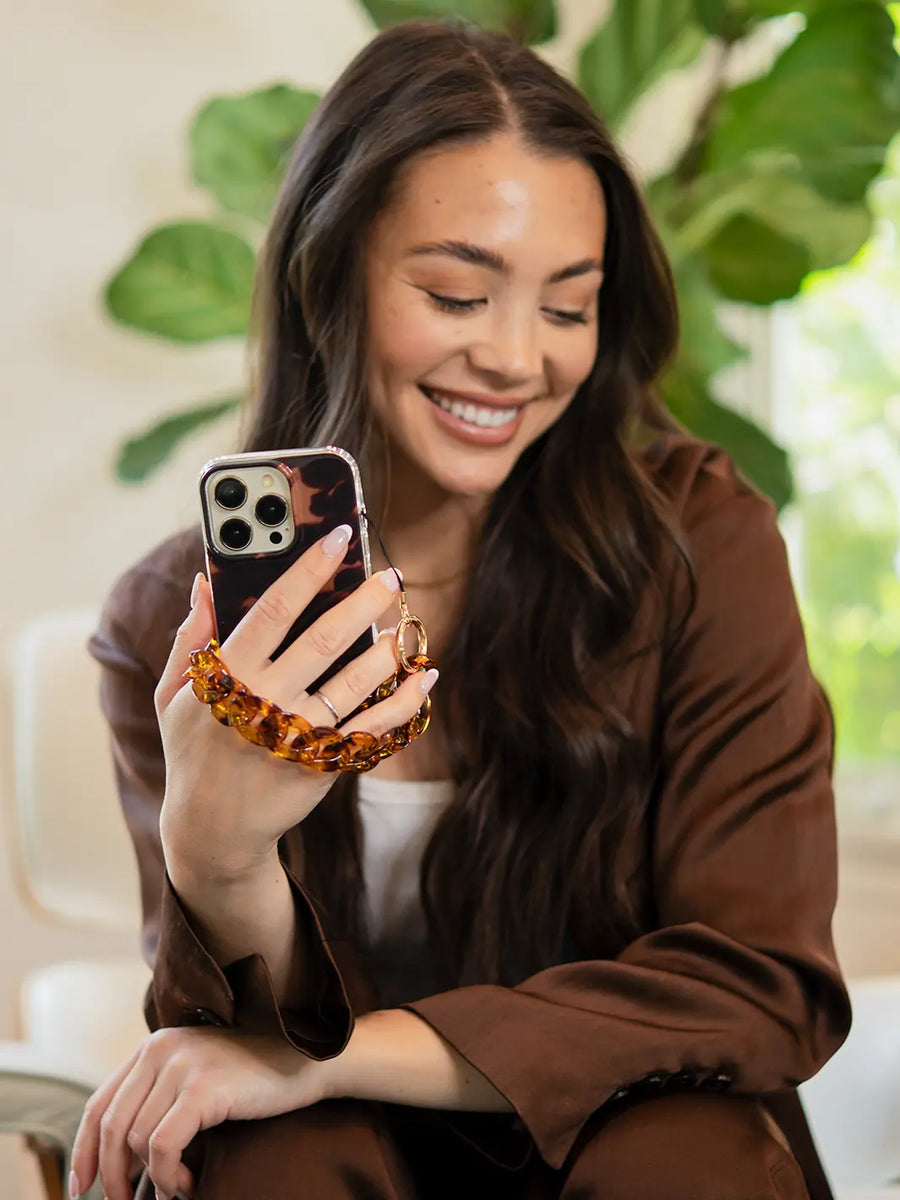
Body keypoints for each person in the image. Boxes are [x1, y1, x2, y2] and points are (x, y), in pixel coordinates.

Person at [70, 17, 850, 1200]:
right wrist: (219, 861)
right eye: (455, 292)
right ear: (328, 272)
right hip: (343, 1164)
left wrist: (338, 1063)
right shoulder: (172, 628)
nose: (515, 358)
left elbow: (759, 982)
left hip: (634, 1140)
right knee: (262, 1150)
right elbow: (232, 1053)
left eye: (568, 307)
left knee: (675, 1154)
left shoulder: (695, 544)